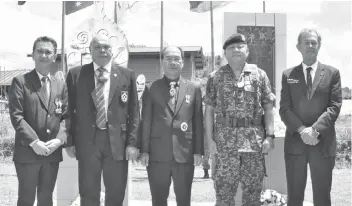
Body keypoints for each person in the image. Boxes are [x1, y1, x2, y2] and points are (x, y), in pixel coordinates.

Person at [65, 34, 140, 206]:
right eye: (98, 47)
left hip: (117, 143)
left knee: (116, 191)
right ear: (90, 51)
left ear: (112, 52)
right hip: (87, 142)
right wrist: (69, 141)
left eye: (106, 47)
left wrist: (132, 143)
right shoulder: (76, 74)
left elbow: (134, 111)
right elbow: (68, 111)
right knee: (88, 191)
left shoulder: (127, 75)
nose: (102, 50)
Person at [204, 33, 275, 206]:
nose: (236, 50)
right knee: (223, 194)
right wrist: (209, 139)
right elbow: (209, 110)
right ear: (225, 54)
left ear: (247, 51)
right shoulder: (215, 77)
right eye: (231, 48)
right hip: (224, 145)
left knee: (252, 194)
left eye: (240, 46)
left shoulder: (259, 75)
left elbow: (268, 107)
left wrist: (269, 136)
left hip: (253, 144)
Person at [279, 28, 342, 206]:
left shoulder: (332, 73)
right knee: (294, 196)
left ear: (319, 46)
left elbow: (334, 106)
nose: (310, 45)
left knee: (322, 196)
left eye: (314, 42)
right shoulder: (288, 75)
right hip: (295, 143)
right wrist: (302, 130)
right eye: (306, 42)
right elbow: (284, 108)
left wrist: (314, 130)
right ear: (298, 46)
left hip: (322, 143)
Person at [139, 46, 204, 206]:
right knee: (158, 200)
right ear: (162, 62)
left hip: (185, 153)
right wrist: (144, 150)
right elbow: (145, 121)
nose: (172, 62)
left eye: (177, 58)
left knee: (184, 200)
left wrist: (198, 151)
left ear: (182, 62)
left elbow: (197, 122)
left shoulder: (194, 88)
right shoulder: (150, 88)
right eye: (168, 58)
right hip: (157, 155)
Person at [8, 36, 69, 206]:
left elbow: (66, 116)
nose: (43, 55)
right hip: (28, 152)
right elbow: (17, 116)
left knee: (46, 199)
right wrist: (34, 142)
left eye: (48, 52)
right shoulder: (21, 82)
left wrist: (59, 140)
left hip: (52, 153)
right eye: (39, 51)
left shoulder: (61, 85)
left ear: (54, 57)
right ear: (33, 55)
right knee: (26, 199)